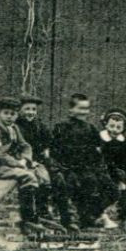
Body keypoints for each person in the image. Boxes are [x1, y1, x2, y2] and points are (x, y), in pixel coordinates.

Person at [0, 97, 51, 230]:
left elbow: (25, 145)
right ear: (0, 113)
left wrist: (25, 159)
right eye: (6, 113)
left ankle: (41, 213)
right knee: (28, 177)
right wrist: (18, 164)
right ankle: (28, 217)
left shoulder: (13, 128)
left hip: (11, 164)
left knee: (42, 175)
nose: (9, 117)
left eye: (13, 114)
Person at [53, 94, 117, 230]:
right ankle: (87, 217)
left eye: (87, 109)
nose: (84, 112)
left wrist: (102, 169)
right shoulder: (61, 128)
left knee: (112, 189)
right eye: (81, 108)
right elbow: (56, 152)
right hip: (69, 168)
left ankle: (92, 214)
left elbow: (97, 153)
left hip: (89, 168)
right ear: (71, 110)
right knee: (85, 184)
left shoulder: (91, 129)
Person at [18, 95, 77, 228]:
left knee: (59, 178)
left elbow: (48, 144)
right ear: (20, 110)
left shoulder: (39, 126)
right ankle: (41, 212)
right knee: (40, 179)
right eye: (27, 109)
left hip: (40, 160)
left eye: (33, 109)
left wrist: (48, 159)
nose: (30, 112)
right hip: (23, 161)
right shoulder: (16, 126)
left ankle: (67, 218)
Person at [99, 110, 126, 230]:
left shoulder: (124, 143)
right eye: (111, 126)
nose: (114, 130)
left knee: (123, 189)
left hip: (118, 174)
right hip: (103, 172)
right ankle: (100, 212)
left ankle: (124, 214)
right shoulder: (100, 140)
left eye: (118, 127)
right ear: (106, 125)